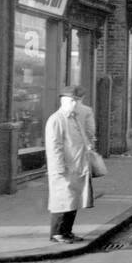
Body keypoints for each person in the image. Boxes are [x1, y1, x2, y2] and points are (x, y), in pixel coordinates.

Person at [46, 91, 93, 243]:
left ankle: (67, 231)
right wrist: (58, 168)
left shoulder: (73, 118)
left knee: (73, 200)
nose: (75, 104)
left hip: (76, 166)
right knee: (62, 201)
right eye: (72, 101)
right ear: (64, 101)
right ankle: (57, 233)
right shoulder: (56, 119)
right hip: (64, 168)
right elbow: (55, 146)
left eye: (77, 101)